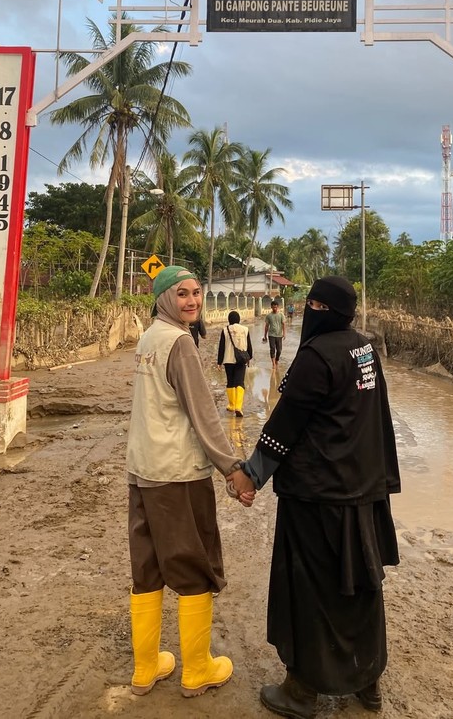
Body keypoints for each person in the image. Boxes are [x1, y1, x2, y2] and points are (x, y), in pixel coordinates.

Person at [238, 276, 401, 717]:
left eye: (312, 304)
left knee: (309, 588)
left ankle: (302, 691)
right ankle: (368, 682)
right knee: (362, 584)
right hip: (362, 490)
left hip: (317, 497)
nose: (307, 310)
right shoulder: (363, 347)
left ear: (323, 310)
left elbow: (286, 425)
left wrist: (251, 474)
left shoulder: (315, 356)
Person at [126, 266, 255, 700]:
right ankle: (197, 669)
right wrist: (232, 469)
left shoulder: (149, 337)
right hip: (177, 473)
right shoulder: (179, 343)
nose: (192, 301)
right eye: (182, 294)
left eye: (197, 293)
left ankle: (146, 668)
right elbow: (202, 414)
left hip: (142, 470)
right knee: (194, 564)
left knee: (147, 567)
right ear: (165, 299)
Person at [217, 311, 253, 417]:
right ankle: (238, 406)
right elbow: (249, 346)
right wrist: (249, 357)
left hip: (228, 360)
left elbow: (221, 347)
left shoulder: (225, 330)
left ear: (229, 319)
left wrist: (219, 362)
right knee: (240, 382)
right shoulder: (245, 330)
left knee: (230, 382)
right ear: (239, 319)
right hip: (241, 360)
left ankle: (232, 405)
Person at [263, 299, 286, 368]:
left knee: (279, 350)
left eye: (276, 307)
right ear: (271, 307)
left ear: (278, 307)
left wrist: (284, 333)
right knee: (272, 349)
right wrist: (265, 335)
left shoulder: (281, 315)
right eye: (273, 307)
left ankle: (277, 360)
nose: (274, 308)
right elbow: (267, 326)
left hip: (279, 335)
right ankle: (273, 363)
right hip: (271, 335)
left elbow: (284, 324)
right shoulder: (269, 316)